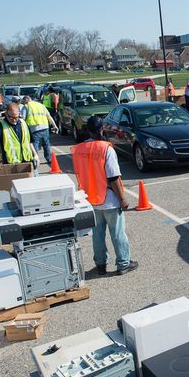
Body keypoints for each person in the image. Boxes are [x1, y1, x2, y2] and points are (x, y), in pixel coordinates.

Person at [71, 115, 139, 276]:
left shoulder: (78, 150)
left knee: (97, 235)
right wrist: (122, 198)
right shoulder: (105, 148)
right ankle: (123, 263)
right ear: (102, 130)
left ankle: (101, 264)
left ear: (88, 130)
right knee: (117, 233)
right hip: (109, 199)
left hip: (90, 199)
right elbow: (113, 177)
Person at [0, 102, 38, 167]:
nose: (14, 120)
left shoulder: (23, 123)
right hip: (10, 164)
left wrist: (35, 155)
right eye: (11, 118)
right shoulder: (1, 125)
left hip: (27, 161)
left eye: (16, 117)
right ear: (6, 114)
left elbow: (29, 142)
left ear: (19, 114)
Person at [22, 95, 58, 165]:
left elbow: (22, 119)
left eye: (23, 102)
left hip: (34, 128)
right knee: (46, 144)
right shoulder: (41, 105)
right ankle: (49, 159)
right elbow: (49, 116)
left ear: (25, 100)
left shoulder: (26, 106)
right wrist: (54, 125)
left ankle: (35, 160)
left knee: (35, 144)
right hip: (45, 127)